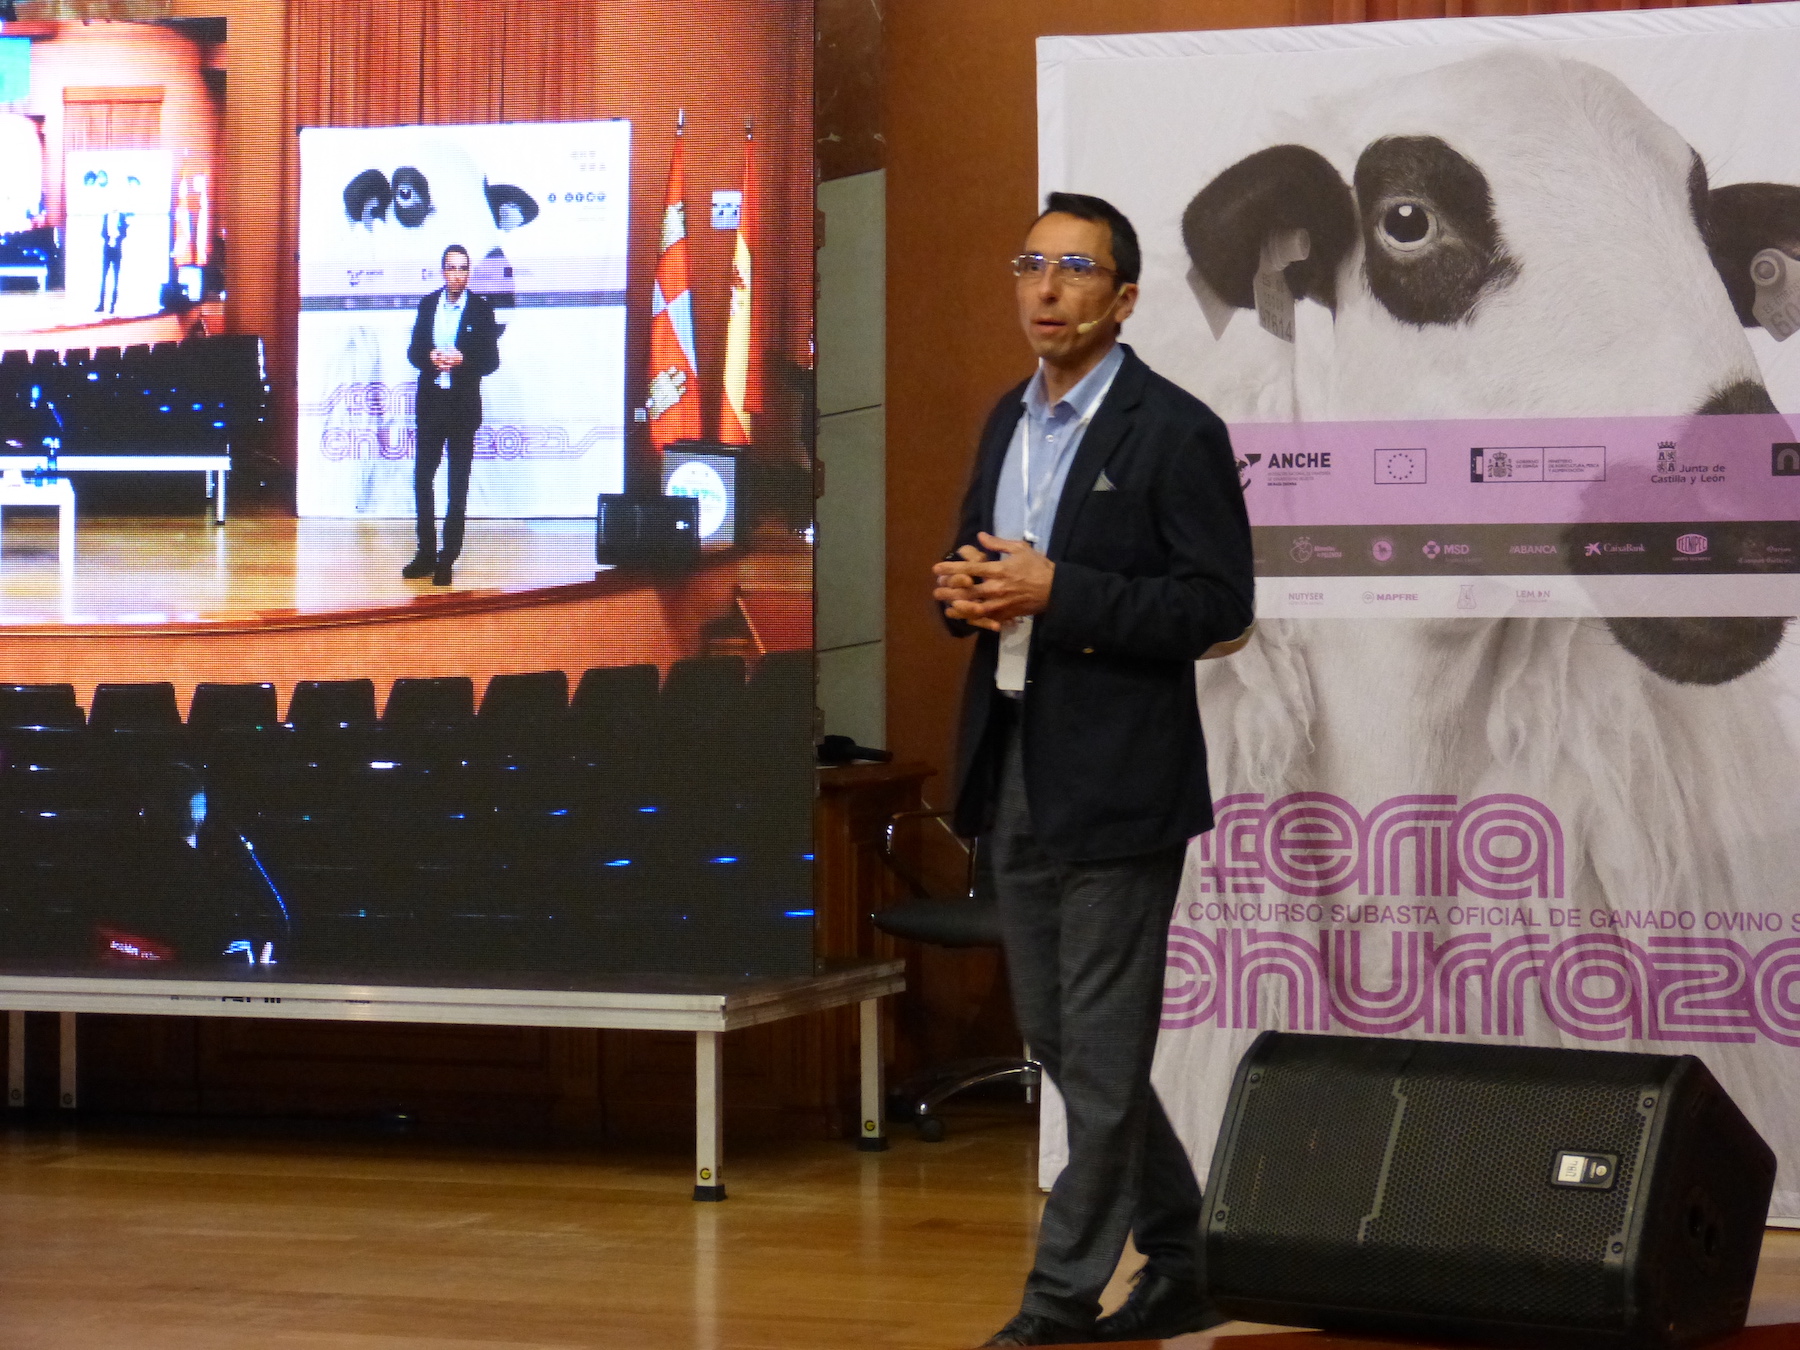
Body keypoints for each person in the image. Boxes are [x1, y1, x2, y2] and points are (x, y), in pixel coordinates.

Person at [931, 193, 1254, 1347]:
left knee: (1104, 1060)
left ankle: (1058, 1303)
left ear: (1123, 299)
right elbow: (981, 566)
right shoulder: (1004, 421)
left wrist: (1059, 591)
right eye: (1031, 264)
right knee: (1066, 1045)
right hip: (1013, 760)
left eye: (1074, 269)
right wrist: (963, 594)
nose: (1047, 288)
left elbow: (1218, 609)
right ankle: (1187, 1253)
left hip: (1121, 778)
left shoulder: (1174, 430)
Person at [403, 244, 501, 586]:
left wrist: (463, 360)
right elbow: (414, 351)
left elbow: (491, 361)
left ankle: (448, 556)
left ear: (468, 273)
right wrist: (429, 356)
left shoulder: (481, 310)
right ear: (442, 271)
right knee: (422, 479)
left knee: (457, 485)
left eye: (463, 268)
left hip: (462, 408)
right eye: (451, 268)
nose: (457, 275)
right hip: (431, 405)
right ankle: (426, 553)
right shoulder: (428, 304)